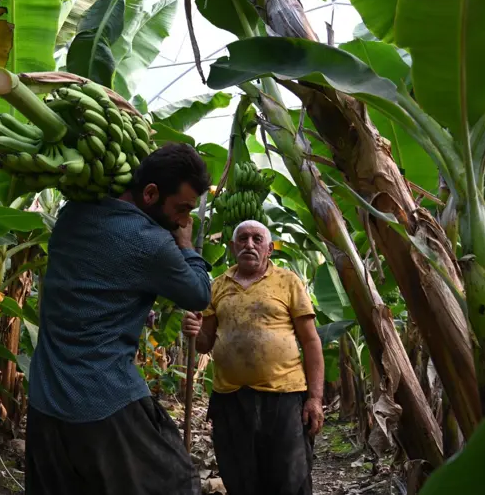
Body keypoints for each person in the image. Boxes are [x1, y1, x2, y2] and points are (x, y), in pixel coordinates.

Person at [26, 142, 213, 495]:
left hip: (45, 402)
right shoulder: (153, 242)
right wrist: (186, 245)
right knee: (175, 483)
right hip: (103, 399)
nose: (184, 220)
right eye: (182, 209)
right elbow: (199, 293)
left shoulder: (71, 215)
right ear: (151, 193)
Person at [183, 220, 324, 495]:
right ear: (233, 247)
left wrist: (315, 399)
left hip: (283, 395)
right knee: (240, 477)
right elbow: (204, 344)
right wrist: (194, 330)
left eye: (257, 239)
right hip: (230, 398)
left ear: (270, 248)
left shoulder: (287, 281)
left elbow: (310, 341)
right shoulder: (217, 286)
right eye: (243, 239)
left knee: (289, 477)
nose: (249, 244)